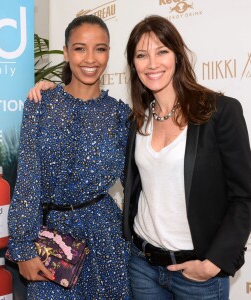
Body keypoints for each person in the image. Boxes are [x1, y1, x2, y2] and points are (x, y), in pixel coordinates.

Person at [28, 15, 251, 300]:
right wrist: (54, 92)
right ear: (133, 64)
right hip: (142, 266)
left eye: (162, 52)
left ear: (178, 56)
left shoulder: (220, 112)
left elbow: (244, 197)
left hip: (197, 272)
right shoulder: (135, 120)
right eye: (142, 55)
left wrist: (214, 263)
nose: (153, 63)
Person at [8, 15, 132, 299]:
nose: (91, 58)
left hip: (105, 237)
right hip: (51, 240)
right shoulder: (40, 105)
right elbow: (28, 180)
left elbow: (135, 187)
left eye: (100, 48)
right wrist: (23, 248)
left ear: (109, 53)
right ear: (65, 52)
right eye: (80, 48)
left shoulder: (120, 115)